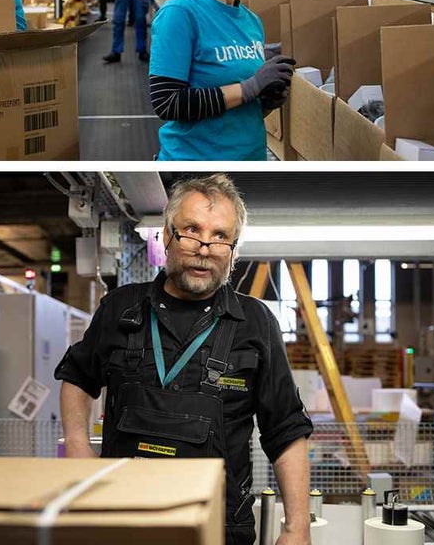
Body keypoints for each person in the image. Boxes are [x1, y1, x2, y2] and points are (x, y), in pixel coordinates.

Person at [56, 174, 313, 545]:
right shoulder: (120, 308)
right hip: (123, 521)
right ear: (167, 235)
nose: (205, 247)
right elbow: (78, 377)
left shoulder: (255, 323)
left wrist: (297, 526)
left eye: (221, 236)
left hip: (218, 529)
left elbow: (285, 428)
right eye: (192, 230)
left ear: (233, 250)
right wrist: (78, 447)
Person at [148, 0, 295, 160]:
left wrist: (264, 100)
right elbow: (167, 102)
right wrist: (249, 88)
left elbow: (233, 109)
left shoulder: (252, 22)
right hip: (196, 168)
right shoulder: (181, 14)